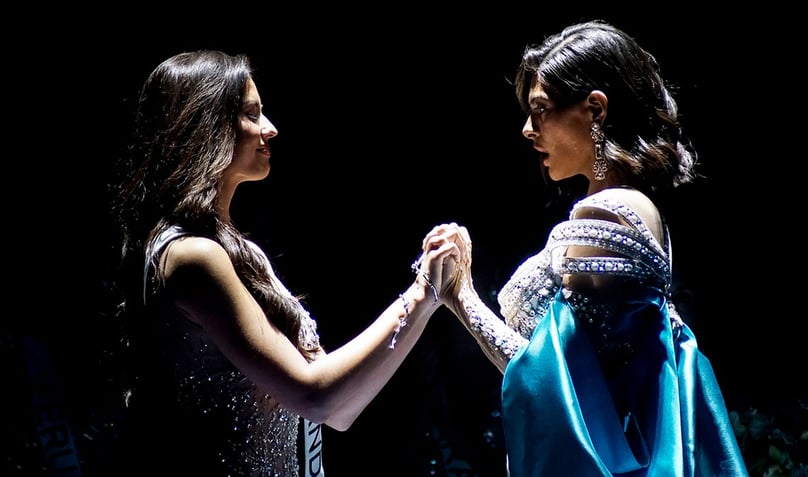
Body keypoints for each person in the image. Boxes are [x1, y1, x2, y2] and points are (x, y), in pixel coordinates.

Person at [105, 49, 463, 476]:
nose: (270, 128)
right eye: (251, 114)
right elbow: (316, 397)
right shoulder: (191, 258)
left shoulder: (239, 252)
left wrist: (428, 301)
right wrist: (420, 295)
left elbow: (338, 410)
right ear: (204, 127)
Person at [439, 20, 749, 476]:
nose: (528, 129)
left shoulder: (608, 212)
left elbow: (555, 382)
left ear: (595, 110)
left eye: (541, 109)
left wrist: (459, 295)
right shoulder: (630, 207)